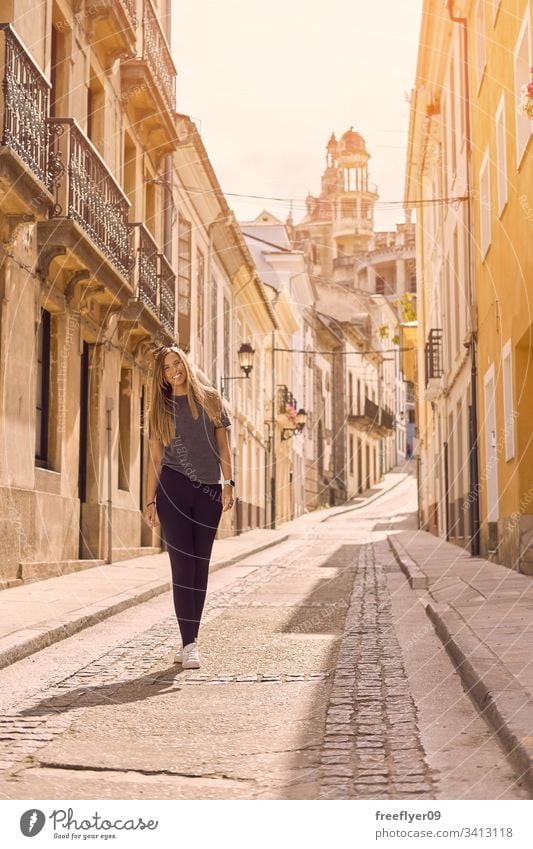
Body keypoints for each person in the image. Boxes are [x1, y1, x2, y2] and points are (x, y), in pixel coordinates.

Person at [143, 345, 234, 669]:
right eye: (166, 368)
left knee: (199, 568)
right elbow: (155, 459)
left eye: (175, 363)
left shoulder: (211, 399)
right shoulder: (159, 408)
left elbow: (223, 446)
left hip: (208, 492)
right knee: (182, 568)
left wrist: (228, 483)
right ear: (162, 376)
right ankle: (189, 643)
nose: (173, 371)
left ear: (185, 362)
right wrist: (150, 500)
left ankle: (190, 639)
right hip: (173, 490)